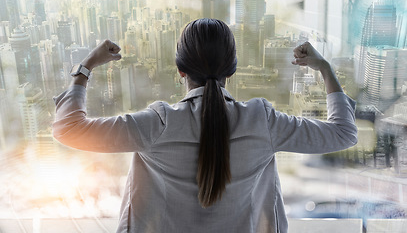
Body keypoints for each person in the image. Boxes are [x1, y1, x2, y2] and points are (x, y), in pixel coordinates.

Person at [53, 18, 357, 233]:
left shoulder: (158, 124)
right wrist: (325, 68)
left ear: (180, 71)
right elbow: (343, 133)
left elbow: (68, 128)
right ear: (232, 70)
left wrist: (85, 67)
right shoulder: (261, 121)